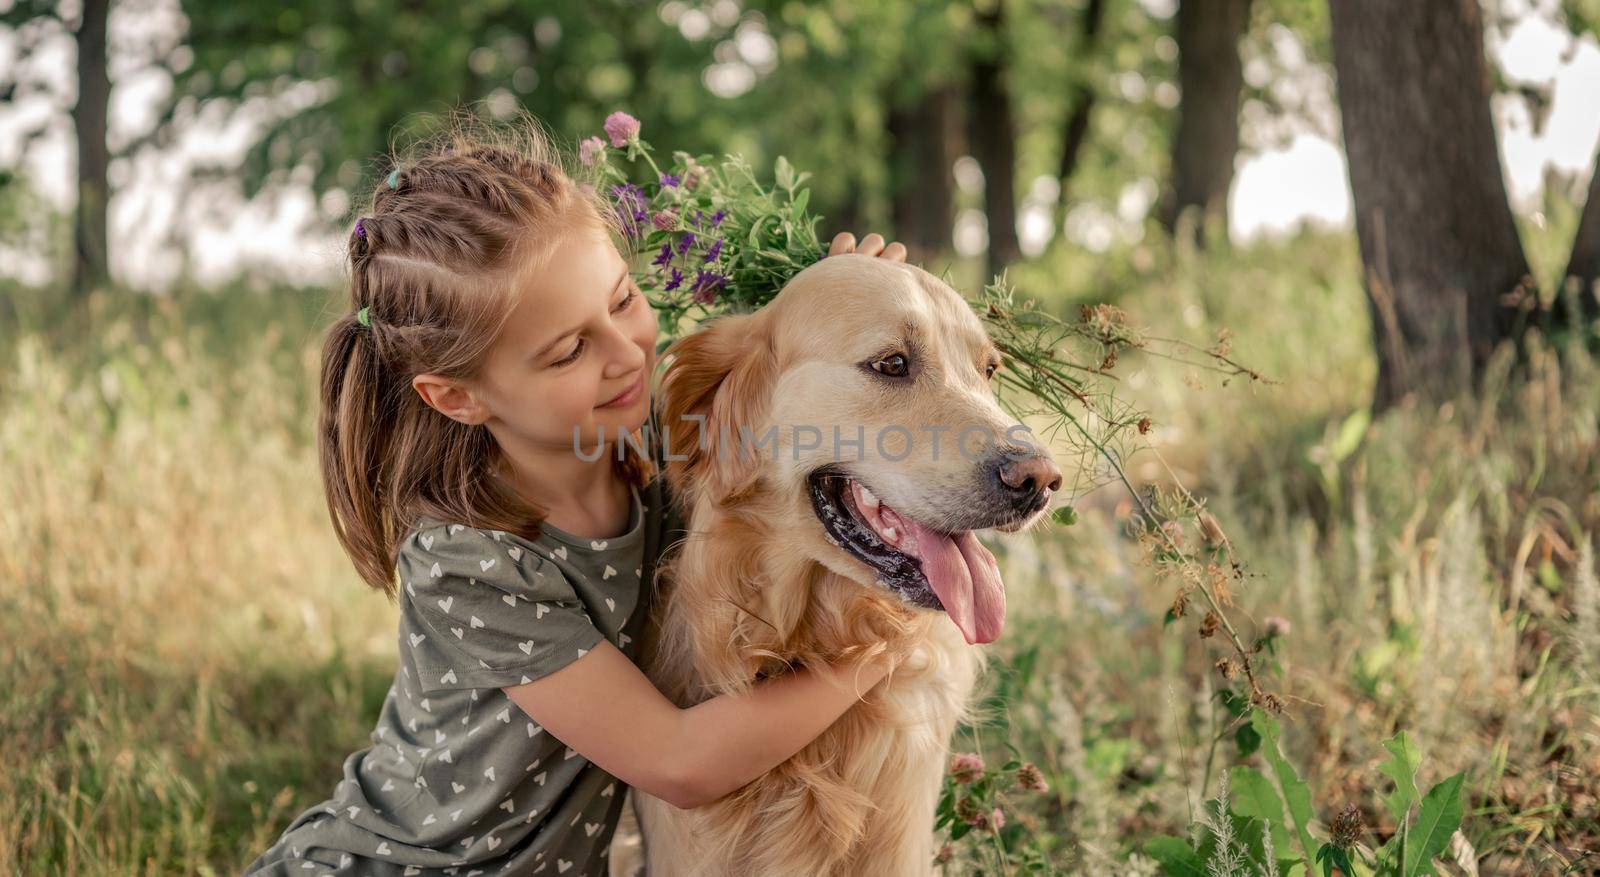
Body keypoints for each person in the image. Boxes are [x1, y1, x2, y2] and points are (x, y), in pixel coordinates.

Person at [241, 111, 911, 877]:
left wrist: (852, 303)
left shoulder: (659, 449)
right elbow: (679, 761)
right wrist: (882, 652)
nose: (627, 352)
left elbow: (790, 413)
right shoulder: (469, 558)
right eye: (569, 351)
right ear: (458, 397)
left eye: (623, 301)